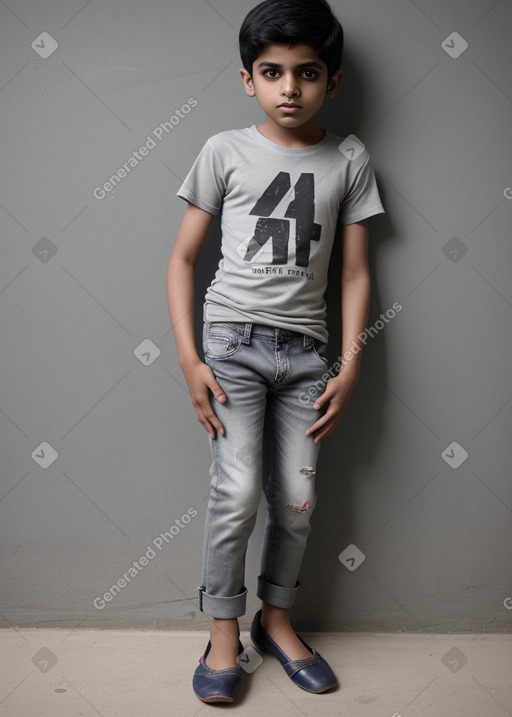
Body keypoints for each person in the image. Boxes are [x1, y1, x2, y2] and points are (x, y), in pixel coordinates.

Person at [166, 0, 384, 703]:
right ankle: (223, 631)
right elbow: (181, 261)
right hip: (231, 346)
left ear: (334, 81)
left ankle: (277, 620)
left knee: (296, 499)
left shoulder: (349, 160)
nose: (289, 87)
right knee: (235, 494)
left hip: (306, 358)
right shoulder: (223, 151)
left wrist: (350, 364)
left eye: (307, 73)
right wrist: (189, 359)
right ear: (247, 79)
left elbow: (354, 273)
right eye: (272, 72)